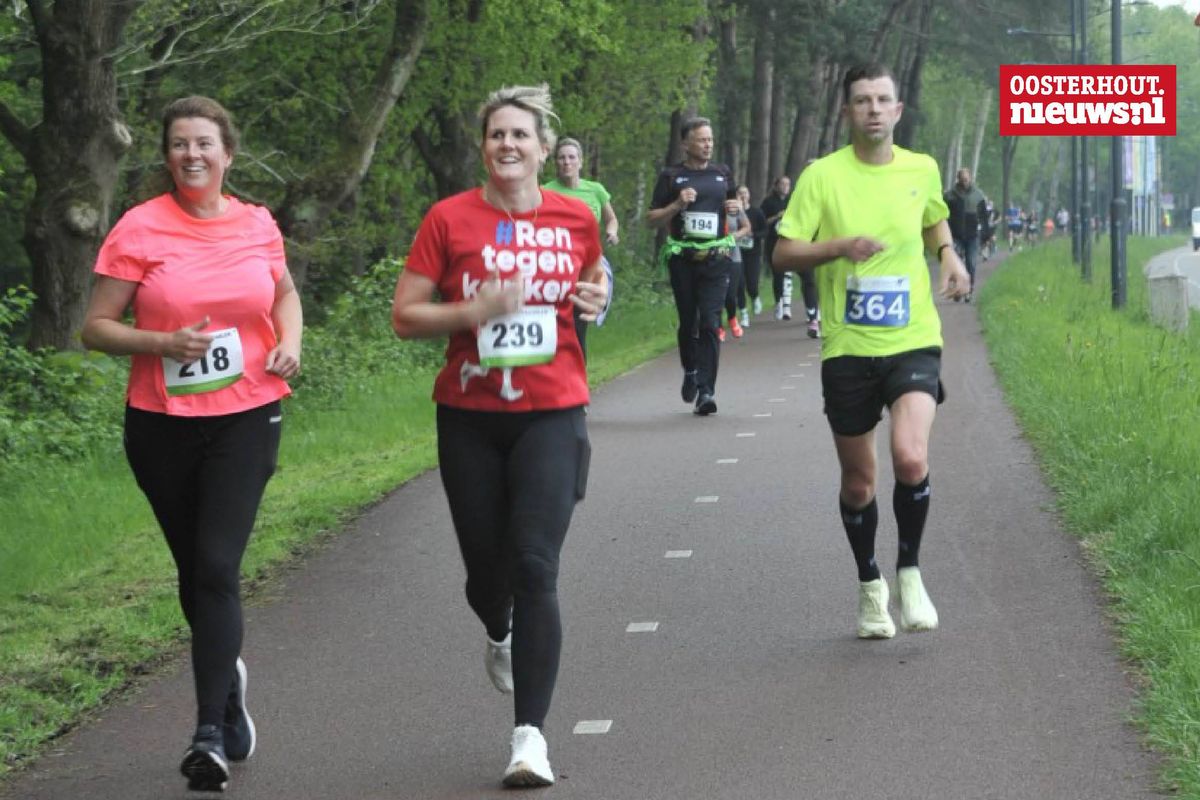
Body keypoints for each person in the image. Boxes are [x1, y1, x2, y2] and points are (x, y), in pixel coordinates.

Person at [80, 96, 302, 792]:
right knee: (194, 573)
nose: (192, 155)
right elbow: (95, 327)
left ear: (227, 152)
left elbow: (285, 294)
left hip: (247, 413)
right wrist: (161, 342)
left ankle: (208, 734)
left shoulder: (258, 224)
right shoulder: (139, 228)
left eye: (204, 143)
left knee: (214, 565)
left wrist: (290, 342)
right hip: (161, 423)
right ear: (167, 155)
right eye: (179, 145)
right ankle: (228, 688)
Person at [391, 84, 607, 788]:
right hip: (470, 417)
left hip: (552, 410)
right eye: (496, 136)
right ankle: (497, 627)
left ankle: (529, 739)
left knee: (536, 565)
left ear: (546, 149)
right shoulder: (449, 219)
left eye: (521, 136)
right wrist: (474, 309)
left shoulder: (578, 216)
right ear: (483, 148)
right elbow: (405, 316)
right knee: (489, 576)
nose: (507, 146)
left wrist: (598, 298)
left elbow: (594, 279)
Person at [773, 62, 970, 641]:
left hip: (913, 335)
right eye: (862, 101)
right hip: (849, 346)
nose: (874, 110)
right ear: (847, 112)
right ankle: (869, 583)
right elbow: (783, 255)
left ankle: (909, 571)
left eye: (883, 100)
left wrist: (950, 256)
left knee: (910, 457)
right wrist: (839, 247)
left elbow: (933, 220)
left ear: (898, 110)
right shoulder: (821, 177)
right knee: (859, 482)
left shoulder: (922, 168)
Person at [647, 116, 739, 416]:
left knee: (710, 322)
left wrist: (734, 207)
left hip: (715, 259)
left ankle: (706, 390)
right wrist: (677, 205)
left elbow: (732, 203)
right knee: (689, 322)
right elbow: (652, 219)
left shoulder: (722, 173)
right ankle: (690, 369)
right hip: (683, 261)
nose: (708, 144)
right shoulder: (672, 176)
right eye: (702, 139)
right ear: (686, 143)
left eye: (710, 139)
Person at [543, 137, 618, 360]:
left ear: (580, 162)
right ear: (555, 162)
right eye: (562, 158)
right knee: (555, 323)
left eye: (571, 157)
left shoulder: (595, 190)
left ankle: (577, 380)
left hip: (588, 264)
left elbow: (611, 219)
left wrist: (612, 232)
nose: (567, 162)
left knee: (578, 323)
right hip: (555, 264)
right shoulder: (545, 192)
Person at [943, 167, 987, 302]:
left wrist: (986, 235)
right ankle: (957, 289)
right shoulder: (949, 195)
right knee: (956, 263)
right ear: (958, 179)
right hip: (955, 234)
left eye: (966, 180)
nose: (964, 182)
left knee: (971, 263)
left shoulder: (978, 195)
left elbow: (983, 216)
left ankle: (969, 290)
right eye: (962, 180)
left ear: (970, 179)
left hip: (972, 235)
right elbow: (943, 215)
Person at [760, 175, 795, 321]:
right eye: (783, 184)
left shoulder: (793, 201)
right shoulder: (768, 202)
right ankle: (778, 302)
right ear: (776, 186)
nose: (785, 187)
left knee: (788, 273)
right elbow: (762, 222)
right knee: (778, 274)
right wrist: (777, 216)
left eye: (788, 184)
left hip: (789, 241)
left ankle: (787, 305)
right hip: (773, 243)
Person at [736, 184, 768, 328]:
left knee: (752, 283)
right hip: (736, 253)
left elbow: (765, 231)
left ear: (749, 195)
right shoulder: (732, 213)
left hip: (753, 254)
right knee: (739, 283)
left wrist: (753, 235)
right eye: (740, 193)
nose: (743, 196)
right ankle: (743, 313)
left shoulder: (756, 212)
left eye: (745, 193)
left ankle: (755, 297)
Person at [721, 196, 752, 339]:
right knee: (716, 295)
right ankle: (718, 326)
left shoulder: (733, 207)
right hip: (714, 256)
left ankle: (732, 318)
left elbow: (747, 227)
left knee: (730, 295)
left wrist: (736, 236)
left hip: (733, 256)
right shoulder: (710, 205)